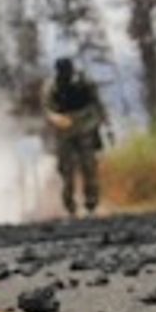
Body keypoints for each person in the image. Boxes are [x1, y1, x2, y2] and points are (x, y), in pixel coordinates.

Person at [43, 56, 108, 217]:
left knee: (89, 168)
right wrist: (55, 118)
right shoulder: (52, 87)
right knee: (67, 171)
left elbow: (97, 106)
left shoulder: (84, 83)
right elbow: (48, 109)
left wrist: (99, 125)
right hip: (64, 131)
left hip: (85, 127)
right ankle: (70, 206)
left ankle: (91, 204)